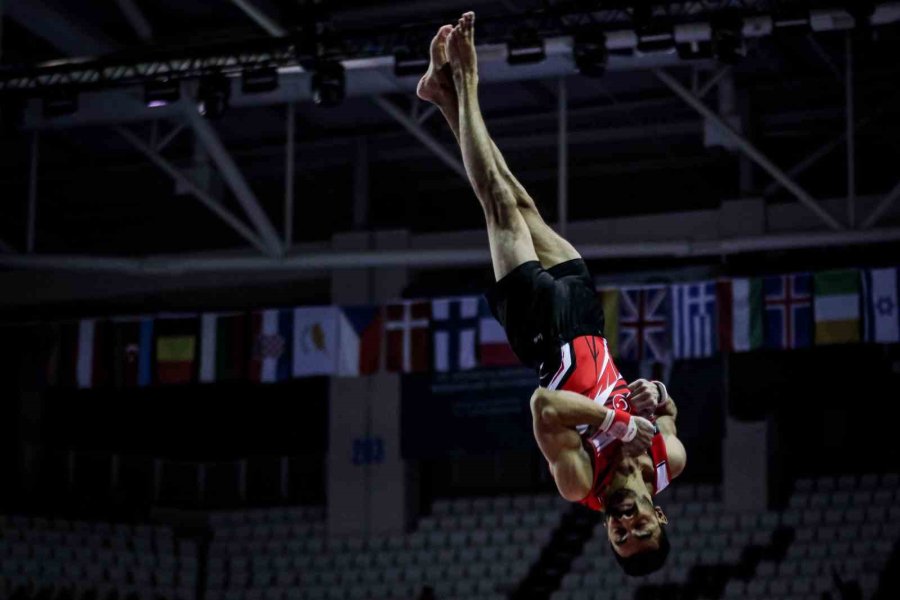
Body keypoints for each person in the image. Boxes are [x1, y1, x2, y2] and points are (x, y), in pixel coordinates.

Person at [417, 12, 687, 575]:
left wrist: (614, 425)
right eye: (639, 531)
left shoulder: (578, 483)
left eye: (619, 538)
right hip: (587, 317)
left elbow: (544, 406)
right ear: (660, 518)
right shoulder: (670, 462)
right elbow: (667, 411)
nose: (624, 525)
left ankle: (465, 81)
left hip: (541, 331)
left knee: (496, 203)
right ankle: (443, 97)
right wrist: (656, 393)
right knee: (520, 198)